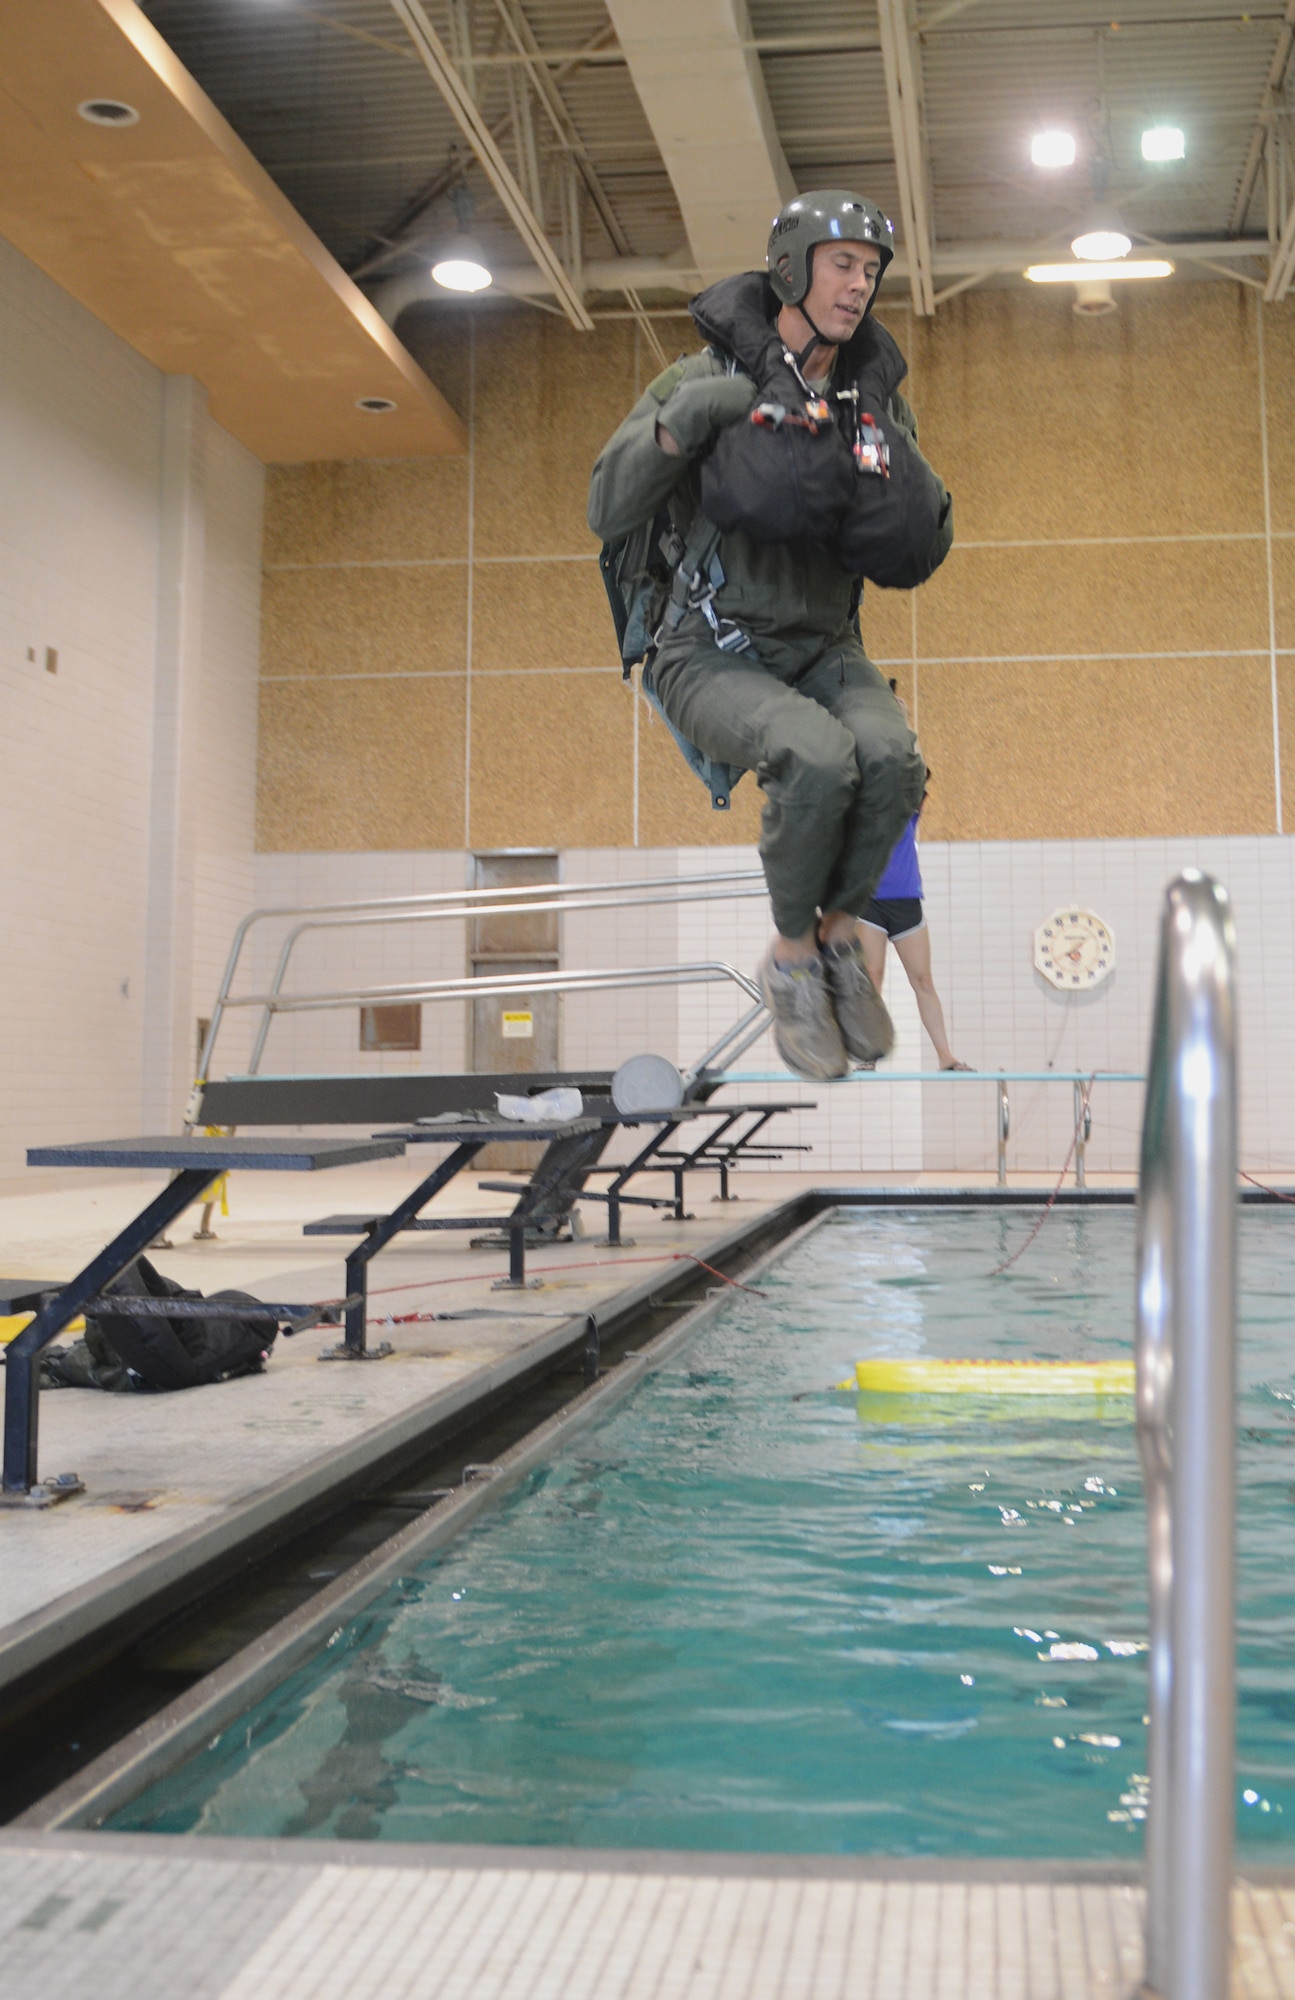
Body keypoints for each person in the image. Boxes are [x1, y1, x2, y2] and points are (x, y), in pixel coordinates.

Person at [588, 190, 953, 1081]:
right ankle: (792, 960)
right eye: (841, 264)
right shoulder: (695, 378)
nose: (858, 284)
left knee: (894, 761)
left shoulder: (872, 405)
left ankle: (836, 940)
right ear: (790, 268)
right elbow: (604, 505)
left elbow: (925, 523)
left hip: (827, 648)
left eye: (870, 271)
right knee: (818, 757)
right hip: (707, 647)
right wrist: (698, 415)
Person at [859, 794, 971, 1073]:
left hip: (906, 903)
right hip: (868, 902)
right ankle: (868, 1053)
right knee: (872, 979)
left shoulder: (906, 808)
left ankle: (946, 1056)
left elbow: (920, 778)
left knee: (922, 980)